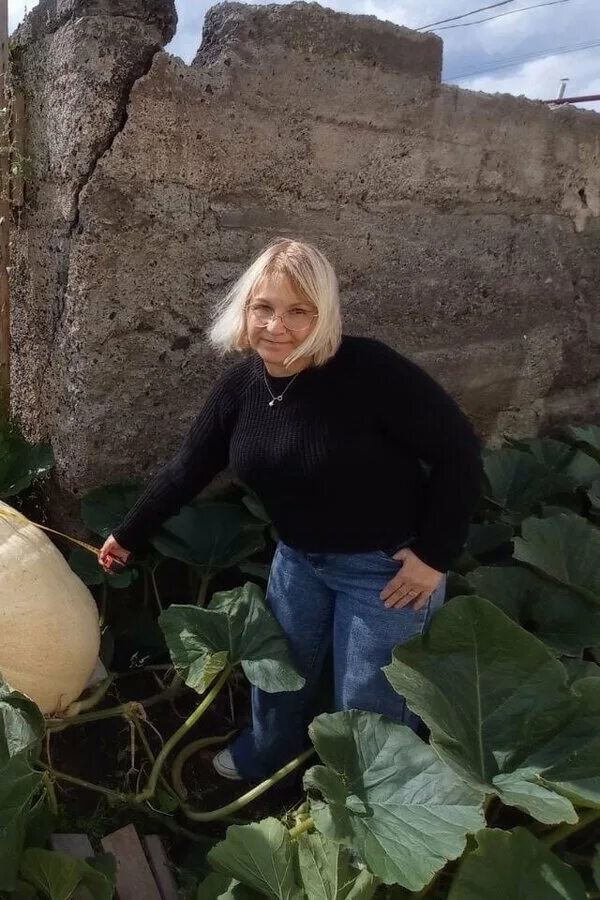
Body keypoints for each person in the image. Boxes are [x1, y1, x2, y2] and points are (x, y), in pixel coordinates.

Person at [97, 238, 481, 782]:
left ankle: (364, 802)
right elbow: (188, 468)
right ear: (245, 310)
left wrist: (434, 555)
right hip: (299, 560)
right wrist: (129, 534)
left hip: (386, 570)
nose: (277, 326)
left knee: (370, 703)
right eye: (264, 308)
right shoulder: (240, 387)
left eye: (299, 311)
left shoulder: (369, 371)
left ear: (324, 315)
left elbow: (459, 451)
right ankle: (270, 751)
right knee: (276, 672)